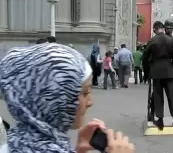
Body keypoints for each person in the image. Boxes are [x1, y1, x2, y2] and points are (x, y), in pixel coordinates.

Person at [0, 43, 135, 153]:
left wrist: (79, 150)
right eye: (85, 93)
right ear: (52, 98)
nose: (90, 102)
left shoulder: (16, 141)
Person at [142, 21, 173, 130]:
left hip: (156, 71)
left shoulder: (152, 41)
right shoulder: (171, 40)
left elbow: (145, 57)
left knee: (158, 96)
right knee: (171, 95)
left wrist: (146, 71)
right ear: (163, 28)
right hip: (169, 70)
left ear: (155, 29)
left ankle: (160, 119)